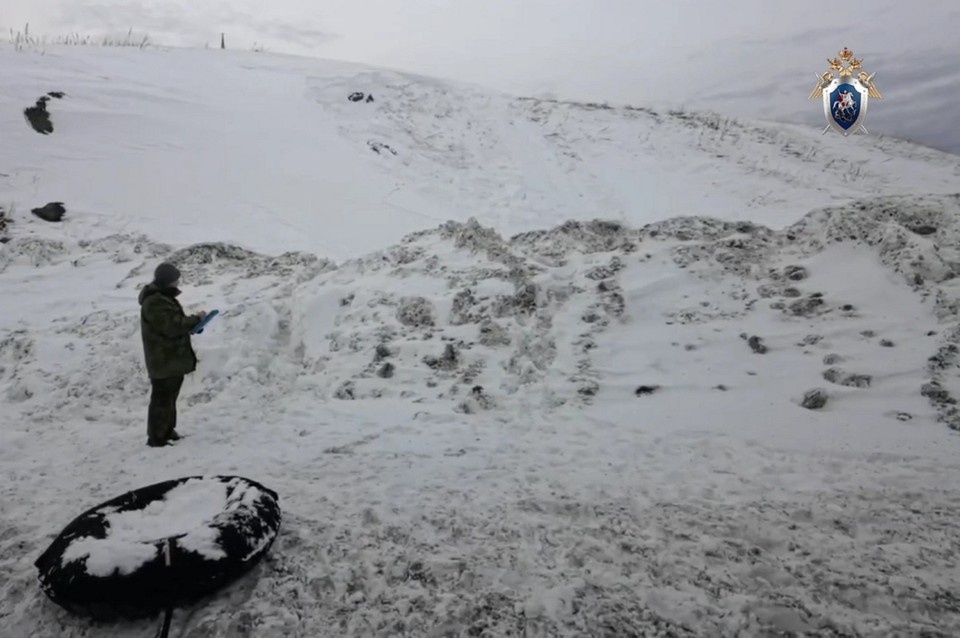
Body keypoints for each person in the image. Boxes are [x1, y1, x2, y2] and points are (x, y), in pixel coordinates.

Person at [138, 262, 207, 447]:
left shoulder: (161, 297)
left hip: (169, 358)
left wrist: (192, 324)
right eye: (175, 280)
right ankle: (157, 437)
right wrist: (195, 320)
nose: (178, 283)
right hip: (163, 359)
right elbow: (172, 326)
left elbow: (172, 323)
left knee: (169, 398)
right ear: (168, 281)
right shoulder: (155, 301)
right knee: (162, 399)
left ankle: (167, 430)